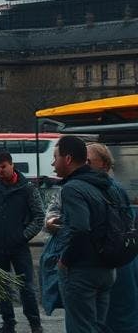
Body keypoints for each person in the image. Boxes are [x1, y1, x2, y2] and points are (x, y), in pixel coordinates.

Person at [52, 134, 116, 333]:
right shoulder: (106, 185)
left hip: (82, 271)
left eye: (56, 157)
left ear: (68, 159)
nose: (53, 163)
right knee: (97, 326)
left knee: (80, 327)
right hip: (107, 268)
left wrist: (65, 260)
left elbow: (80, 228)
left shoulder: (72, 188)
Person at [0, 151, 45, 333]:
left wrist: (24, 236)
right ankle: (8, 323)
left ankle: (35, 324)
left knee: (27, 288)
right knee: (1, 286)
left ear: (11, 165)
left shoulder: (28, 188)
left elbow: (39, 217)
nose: (0, 171)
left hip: (20, 247)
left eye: (3, 167)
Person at [87, 142, 138, 333]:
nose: (84, 165)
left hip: (117, 260)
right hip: (121, 258)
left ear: (105, 165)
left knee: (119, 312)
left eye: (88, 161)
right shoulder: (113, 189)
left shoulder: (109, 190)